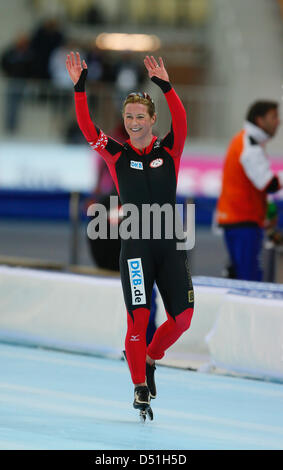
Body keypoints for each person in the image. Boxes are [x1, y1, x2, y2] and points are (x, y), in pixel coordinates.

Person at [66, 52, 194, 420]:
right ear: (124, 122)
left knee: (182, 319)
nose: (134, 122)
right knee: (137, 320)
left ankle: (152, 357)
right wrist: (79, 88)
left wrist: (167, 87)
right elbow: (89, 129)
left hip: (169, 246)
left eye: (140, 117)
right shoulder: (116, 154)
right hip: (135, 249)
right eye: (129, 117)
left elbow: (182, 120)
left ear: (153, 120)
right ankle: (139, 386)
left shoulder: (170, 149)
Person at [216, 101, 283, 281]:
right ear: (260, 120)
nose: (278, 121)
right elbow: (269, 184)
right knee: (249, 280)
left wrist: (267, 207)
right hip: (243, 221)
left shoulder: (245, 141)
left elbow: (256, 184)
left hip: (238, 219)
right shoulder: (250, 145)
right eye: (274, 117)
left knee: (241, 276)